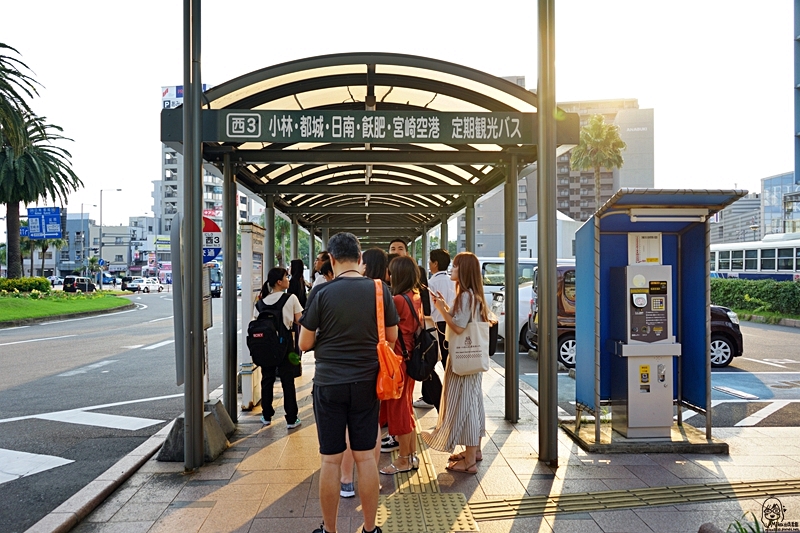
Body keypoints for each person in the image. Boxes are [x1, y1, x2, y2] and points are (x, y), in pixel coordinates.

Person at [299, 232, 398, 533]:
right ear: (359, 259)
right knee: (366, 457)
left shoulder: (321, 293)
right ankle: (370, 529)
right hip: (367, 383)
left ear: (331, 259)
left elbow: (304, 343)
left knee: (330, 461)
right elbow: (392, 338)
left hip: (329, 384)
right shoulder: (380, 291)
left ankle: (330, 530)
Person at [422, 252, 487, 475]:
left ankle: (469, 461)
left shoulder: (465, 296)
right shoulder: (474, 294)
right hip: (473, 360)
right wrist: (446, 308)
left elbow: (458, 327)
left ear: (465, 270)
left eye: (456, 267)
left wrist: (441, 310)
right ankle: (475, 451)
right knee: (474, 402)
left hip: (463, 360)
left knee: (466, 407)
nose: (452, 269)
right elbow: (462, 322)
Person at [379, 256, 422, 475]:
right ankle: (412, 457)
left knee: (400, 412)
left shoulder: (397, 300)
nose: (389, 275)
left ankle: (404, 459)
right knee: (406, 408)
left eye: (392, 272)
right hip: (409, 360)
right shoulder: (415, 297)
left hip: (397, 363)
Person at [256, 267, 304, 428]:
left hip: (265, 346)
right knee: (287, 381)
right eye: (286, 277)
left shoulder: (261, 302)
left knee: (267, 380)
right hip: (285, 346)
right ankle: (291, 419)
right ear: (279, 282)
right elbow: (300, 320)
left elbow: (255, 323)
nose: (288, 279)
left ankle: (266, 415)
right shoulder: (290, 298)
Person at [414, 249, 456, 411]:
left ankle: (431, 397)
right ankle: (451, 393)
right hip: (451, 324)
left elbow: (429, 309)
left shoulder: (431, 283)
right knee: (449, 362)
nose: (429, 265)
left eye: (430, 262)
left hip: (437, 325)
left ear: (435, 263)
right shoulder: (453, 281)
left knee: (431, 361)